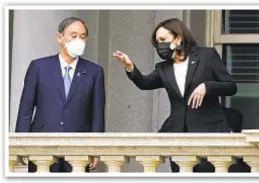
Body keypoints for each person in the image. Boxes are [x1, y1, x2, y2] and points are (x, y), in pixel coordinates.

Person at [113, 18, 237, 173]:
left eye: (163, 39)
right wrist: (130, 67)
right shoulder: (164, 68)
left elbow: (231, 87)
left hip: (209, 132)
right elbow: (145, 83)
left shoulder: (206, 56)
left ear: (178, 37)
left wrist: (207, 86)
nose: (160, 45)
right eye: (157, 41)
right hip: (179, 135)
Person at [15, 17, 105, 173]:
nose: (79, 40)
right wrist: (20, 143)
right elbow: (26, 109)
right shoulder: (39, 67)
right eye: (74, 35)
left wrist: (96, 148)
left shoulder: (94, 71)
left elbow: (97, 113)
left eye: (83, 37)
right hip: (42, 147)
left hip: (78, 150)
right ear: (60, 37)